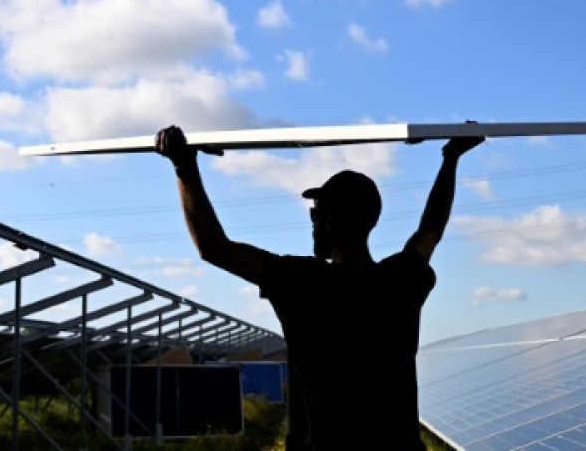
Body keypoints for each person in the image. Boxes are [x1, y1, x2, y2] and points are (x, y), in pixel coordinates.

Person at [155, 125, 483, 450]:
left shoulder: (302, 282)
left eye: (316, 214)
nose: (312, 222)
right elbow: (430, 231)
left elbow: (214, 248)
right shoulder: (399, 281)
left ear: (330, 221)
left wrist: (185, 167)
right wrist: (450, 159)